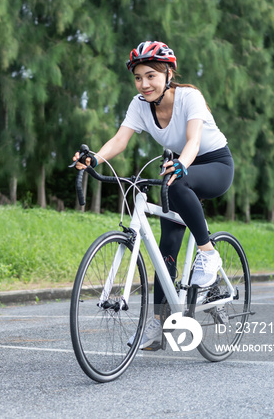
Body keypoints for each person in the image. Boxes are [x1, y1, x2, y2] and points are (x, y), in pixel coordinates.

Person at [73, 41, 234, 350]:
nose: (144, 84)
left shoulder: (190, 97)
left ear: (168, 74)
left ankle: (208, 253)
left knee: (175, 184)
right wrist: (94, 158)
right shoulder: (139, 104)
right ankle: (161, 324)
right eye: (138, 77)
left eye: (151, 76)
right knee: (166, 250)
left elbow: (194, 140)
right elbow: (120, 140)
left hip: (212, 163)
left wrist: (182, 164)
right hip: (177, 166)